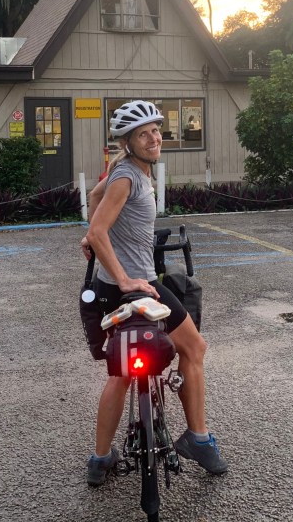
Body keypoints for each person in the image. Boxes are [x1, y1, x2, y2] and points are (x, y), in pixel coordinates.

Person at [81, 100, 227, 486]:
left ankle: (100, 459)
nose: (153, 138)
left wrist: (93, 235)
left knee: (121, 372)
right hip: (137, 285)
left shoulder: (125, 171)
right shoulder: (127, 177)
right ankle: (198, 439)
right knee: (194, 348)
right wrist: (125, 278)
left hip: (108, 287)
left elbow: (94, 200)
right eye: (143, 134)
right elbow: (99, 230)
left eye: (156, 131)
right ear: (128, 142)